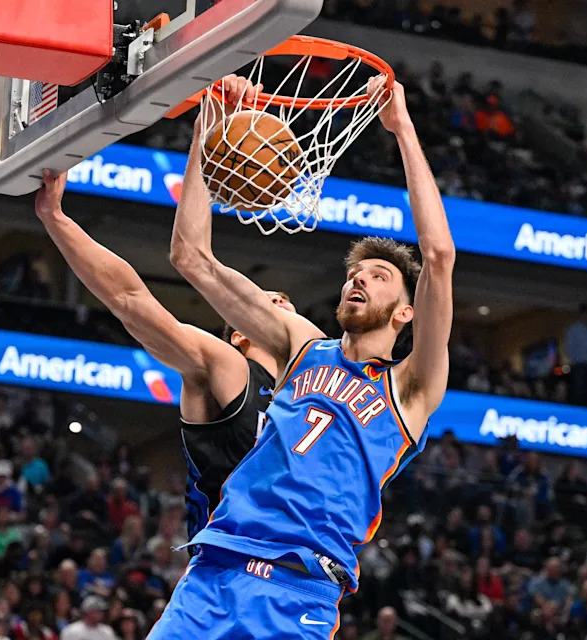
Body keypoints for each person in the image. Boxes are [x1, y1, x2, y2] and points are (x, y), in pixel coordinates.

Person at [154, 75, 454, 639]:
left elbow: (438, 256)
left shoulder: (411, 389)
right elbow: (190, 257)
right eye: (353, 274)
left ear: (406, 313)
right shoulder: (302, 348)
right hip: (214, 572)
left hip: (298, 593)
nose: (358, 281)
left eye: (379, 276)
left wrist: (403, 128)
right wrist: (205, 130)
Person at [35, 169, 297, 542]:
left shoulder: (312, 395)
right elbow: (130, 301)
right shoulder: (228, 365)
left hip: (299, 576)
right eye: (270, 302)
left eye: (287, 303)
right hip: (228, 570)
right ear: (240, 333)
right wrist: (56, 219)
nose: (282, 306)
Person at [564, 303, 587, 405]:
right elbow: (568, 346)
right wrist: (574, 358)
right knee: (578, 390)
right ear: (581, 314)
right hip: (579, 363)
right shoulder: (574, 329)